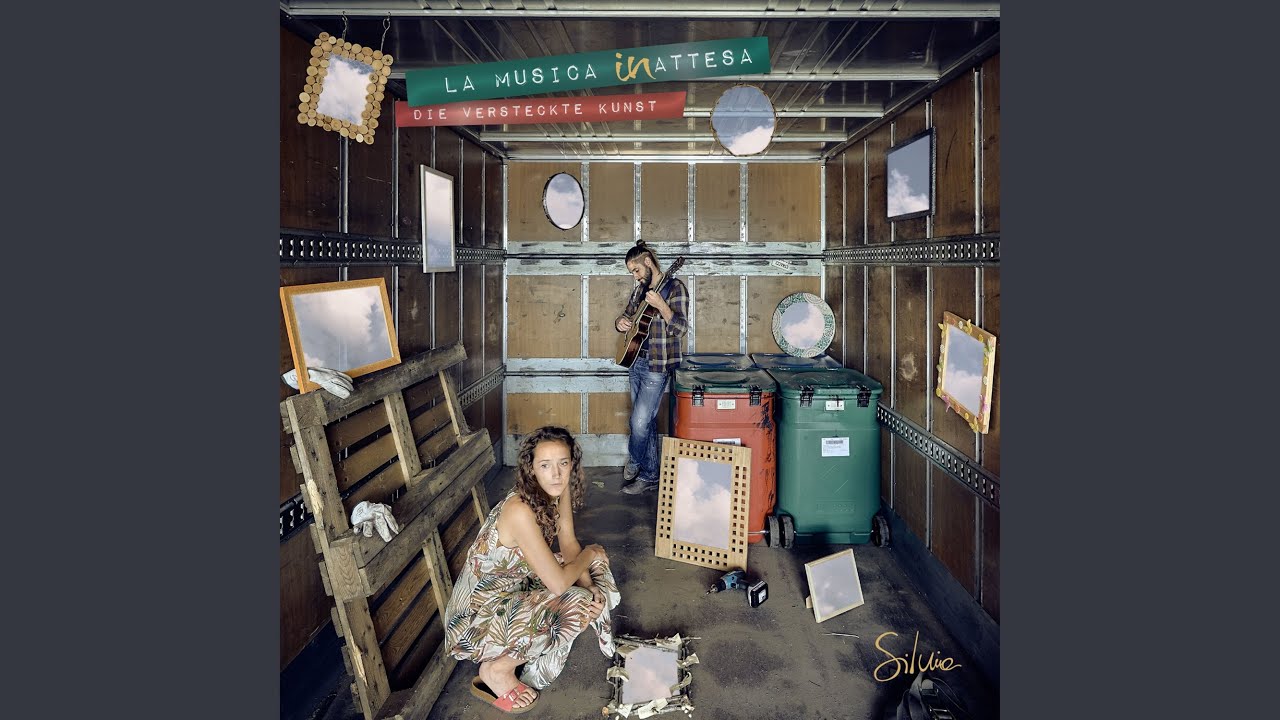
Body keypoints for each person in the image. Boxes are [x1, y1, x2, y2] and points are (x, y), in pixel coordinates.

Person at [442, 426, 621, 714]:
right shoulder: (520, 510)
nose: (556, 474)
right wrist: (588, 557)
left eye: (563, 463)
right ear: (531, 469)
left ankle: (520, 647)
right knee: (577, 601)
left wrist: (589, 583)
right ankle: (497, 670)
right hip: (475, 620)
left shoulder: (556, 487)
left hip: (515, 586)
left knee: (593, 573)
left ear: (572, 464)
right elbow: (559, 584)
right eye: (545, 465)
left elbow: (568, 541)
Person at [613, 240, 689, 494]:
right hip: (635, 360)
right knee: (646, 422)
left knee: (639, 422)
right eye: (631, 273)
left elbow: (680, 329)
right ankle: (651, 475)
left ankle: (636, 461)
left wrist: (661, 305)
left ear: (648, 262)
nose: (635, 276)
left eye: (636, 270)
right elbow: (626, 316)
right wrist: (620, 322)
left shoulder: (675, 288)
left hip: (657, 365)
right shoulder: (640, 291)